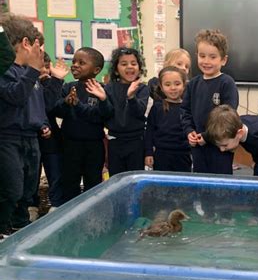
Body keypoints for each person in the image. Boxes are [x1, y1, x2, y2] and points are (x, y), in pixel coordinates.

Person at [0, 13, 68, 239]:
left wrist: (56, 80)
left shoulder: (31, 74)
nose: (41, 53)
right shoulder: (7, 71)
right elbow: (16, 96)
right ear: (26, 44)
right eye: (39, 47)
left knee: (27, 191)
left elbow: (44, 104)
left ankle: (18, 229)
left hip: (30, 138)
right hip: (8, 138)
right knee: (11, 189)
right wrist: (33, 71)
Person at [54, 47, 113, 202]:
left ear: (96, 70)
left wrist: (100, 100)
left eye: (81, 62)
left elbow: (103, 115)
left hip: (93, 146)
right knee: (69, 182)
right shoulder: (68, 87)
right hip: (70, 144)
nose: (75, 65)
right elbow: (57, 111)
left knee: (93, 184)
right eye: (74, 61)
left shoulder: (101, 89)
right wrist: (66, 103)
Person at [181, 29, 239, 174]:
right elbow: (185, 112)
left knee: (220, 184)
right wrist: (189, 131)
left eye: (212, 57)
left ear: (223, 60)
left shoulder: (227, 83)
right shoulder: (193, 84)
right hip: (198, 147)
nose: (206, 61)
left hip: (220, 147)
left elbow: (228, 117)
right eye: (202, 56)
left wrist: (207, 137)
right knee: (200, 182)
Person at [30, 52, 65, 219]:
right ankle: (31, 206)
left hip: (51, 137)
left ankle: (56, 204)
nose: (43, 70)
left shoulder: (54, 85)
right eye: (40, 67)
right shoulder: (28, 83)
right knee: (31, 175)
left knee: (55, 172)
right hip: (31, 136)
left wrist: (53, 82)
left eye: (46, 66)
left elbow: (52, 106)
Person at [105, 47, 150, 176]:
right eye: (124, 64)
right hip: (115, 141)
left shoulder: (142, 88)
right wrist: (102, 99)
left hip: (136, 141)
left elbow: (139, 111)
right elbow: (105, 113)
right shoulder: (109, 88)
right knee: (117, 179)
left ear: (139, 69)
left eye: (134, 63)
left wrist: (131, 97)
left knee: (135, 178)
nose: (129, 67)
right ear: (116, 70)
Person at [144, 66, 191, 172]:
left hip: (183, 154)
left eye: (177, 84)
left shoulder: (187, 107)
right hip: (161, 155)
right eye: (168, 84)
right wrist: (148, 153)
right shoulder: (157, 107)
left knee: (182, 185)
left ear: (184, 85)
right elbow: (149, 131)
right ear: (161, 86)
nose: (173, 88)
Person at [204, 104, 258, 176]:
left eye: (225, 145)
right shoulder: (235, 124)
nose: (222, 149)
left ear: (239, 133)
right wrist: (203, 137)